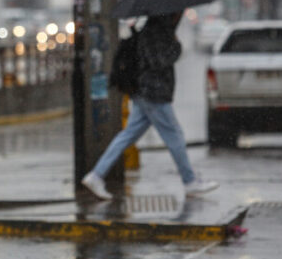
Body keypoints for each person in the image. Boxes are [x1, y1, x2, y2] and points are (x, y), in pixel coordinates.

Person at [81, 12, 218, 200]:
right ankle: (190, 181)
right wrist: (176, 45)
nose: (179, 16)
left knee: (127, 135)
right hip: (153, 93)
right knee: (174, 135)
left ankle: (96, 175)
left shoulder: (152, 30)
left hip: (145, 92)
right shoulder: (157, 32)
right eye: (178, 13)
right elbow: (159, 61)